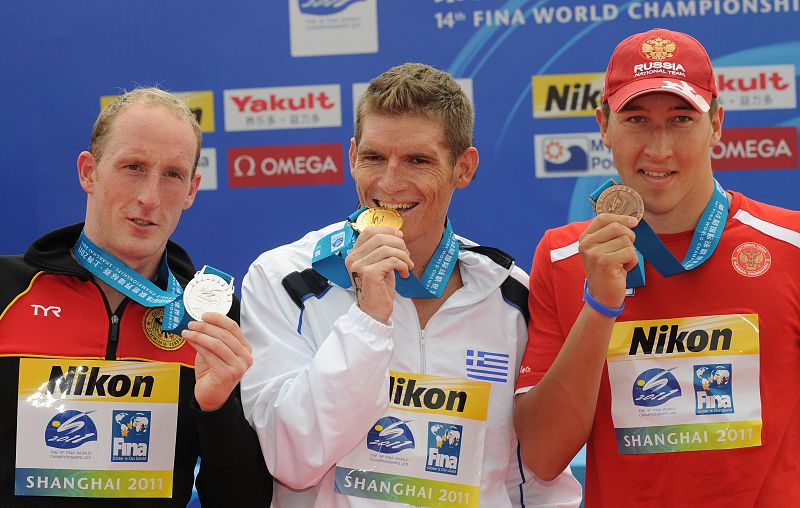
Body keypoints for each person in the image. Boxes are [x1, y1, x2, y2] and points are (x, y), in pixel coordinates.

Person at [240, 63, 581, 507]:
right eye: (374, 157)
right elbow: (291, 459)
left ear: (463, 168)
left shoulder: (510, 294)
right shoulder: (283, 279)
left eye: (418, 161)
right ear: (352, 156)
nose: (390, 182)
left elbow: (538, 480)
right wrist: (368, 321)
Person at [514, 28, 800, 507]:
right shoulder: (564, 257)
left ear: (716, 124)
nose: (659, 149)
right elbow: (542, 457)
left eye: (682, 119)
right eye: (637, 120)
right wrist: (599, 307)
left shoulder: (791, 246)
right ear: (604, 125)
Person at [0, 88, 272, 506]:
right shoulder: (8, 292)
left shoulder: (214, 320)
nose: (150, 198)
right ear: (89, 172)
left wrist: (217, 410)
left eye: (173, 175)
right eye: (133, 167)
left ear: (192, 189)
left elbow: (242, 501)